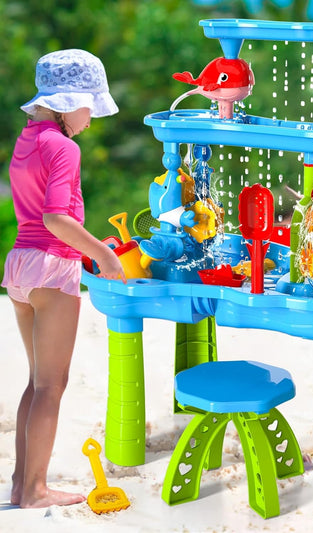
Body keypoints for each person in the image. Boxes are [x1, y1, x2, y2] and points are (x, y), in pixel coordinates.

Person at [1, 49, 126, 508]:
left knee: (37, 384)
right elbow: (55, 218)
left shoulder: (26, 139)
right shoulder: (64, 146)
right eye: (89, 106)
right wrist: (103, 255)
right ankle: (35, 490)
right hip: (52, 267)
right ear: (68, 102)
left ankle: (21, 484)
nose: (90, 119)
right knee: (52, 387)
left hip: (20, 264)